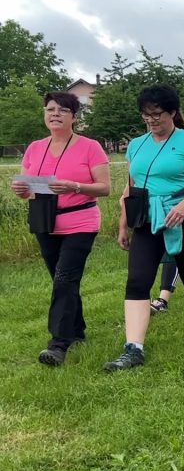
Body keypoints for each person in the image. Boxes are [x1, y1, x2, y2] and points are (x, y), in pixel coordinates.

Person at [105, 84, 184, 371]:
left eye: (157, 114)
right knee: (138, 280)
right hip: (146, 218)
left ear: (172, 112)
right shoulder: (136, 145)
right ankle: (134, 348)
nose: (151, 120)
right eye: (146, 115)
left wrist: (182, 207)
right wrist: (123, 223)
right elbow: (130, 186)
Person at [11, 92, 110, 366]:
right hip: (45, 221)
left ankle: (58, 343)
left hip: (81, 221)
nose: (55, 114)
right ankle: (77, 331)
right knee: (61, 279)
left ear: (74, 117)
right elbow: (29, 189)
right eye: (50, 109)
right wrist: (21, 189)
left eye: (62, 110)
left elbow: (105, 188)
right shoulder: (34, 147)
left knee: (65, 279)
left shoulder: (90, 147)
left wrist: (74, 186)